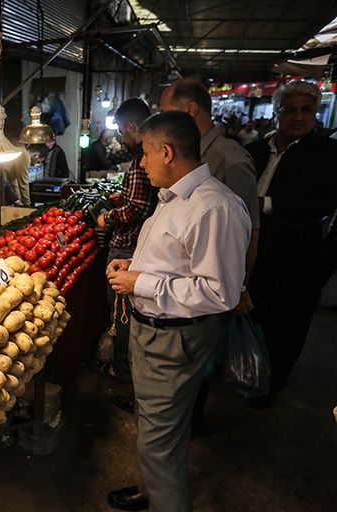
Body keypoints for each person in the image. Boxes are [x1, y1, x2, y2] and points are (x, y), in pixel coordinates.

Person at [106, 111, 251, 512]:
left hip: (173, 339)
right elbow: (174, 262)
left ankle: (165, 500)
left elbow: (220, 292)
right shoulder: (172, 197)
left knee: (159, 440)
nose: (140, 163)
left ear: (167, 152)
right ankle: (152, 489)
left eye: (145, 154)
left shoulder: (212, 208)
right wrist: (132, 270)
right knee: (158, 430)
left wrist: (141, 284)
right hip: (152, 332)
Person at [160, 78, 260, 430]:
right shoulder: (195, 154)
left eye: (165, 113)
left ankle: (188, 426)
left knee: (197, 369)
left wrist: (241, 288)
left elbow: (250, 229)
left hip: (204, 295)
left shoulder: (229, 159)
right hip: (185, 291)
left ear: (189, 111)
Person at [244, 81, 337, 404]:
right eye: (291, 110)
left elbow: (324, 200)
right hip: (254, 246)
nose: (299, 117)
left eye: (306, 110)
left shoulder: (326, 154)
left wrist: (264, 204)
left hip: (298, 249)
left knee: (288, 320)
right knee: (253, 311)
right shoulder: (255, 150)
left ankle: (271, 383)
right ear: (277, 112)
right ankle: (246, 370)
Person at [97, 98, 159, 383]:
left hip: (127, 245)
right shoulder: (145, 158)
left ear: (131, 126)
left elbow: (139, 207)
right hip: (135, 246)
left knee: (121, 310)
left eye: (122, 131)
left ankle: (121, 370)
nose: (122, 137)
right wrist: (120, 198)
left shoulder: (140, 160)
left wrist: (107, 218)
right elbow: (139, 199)